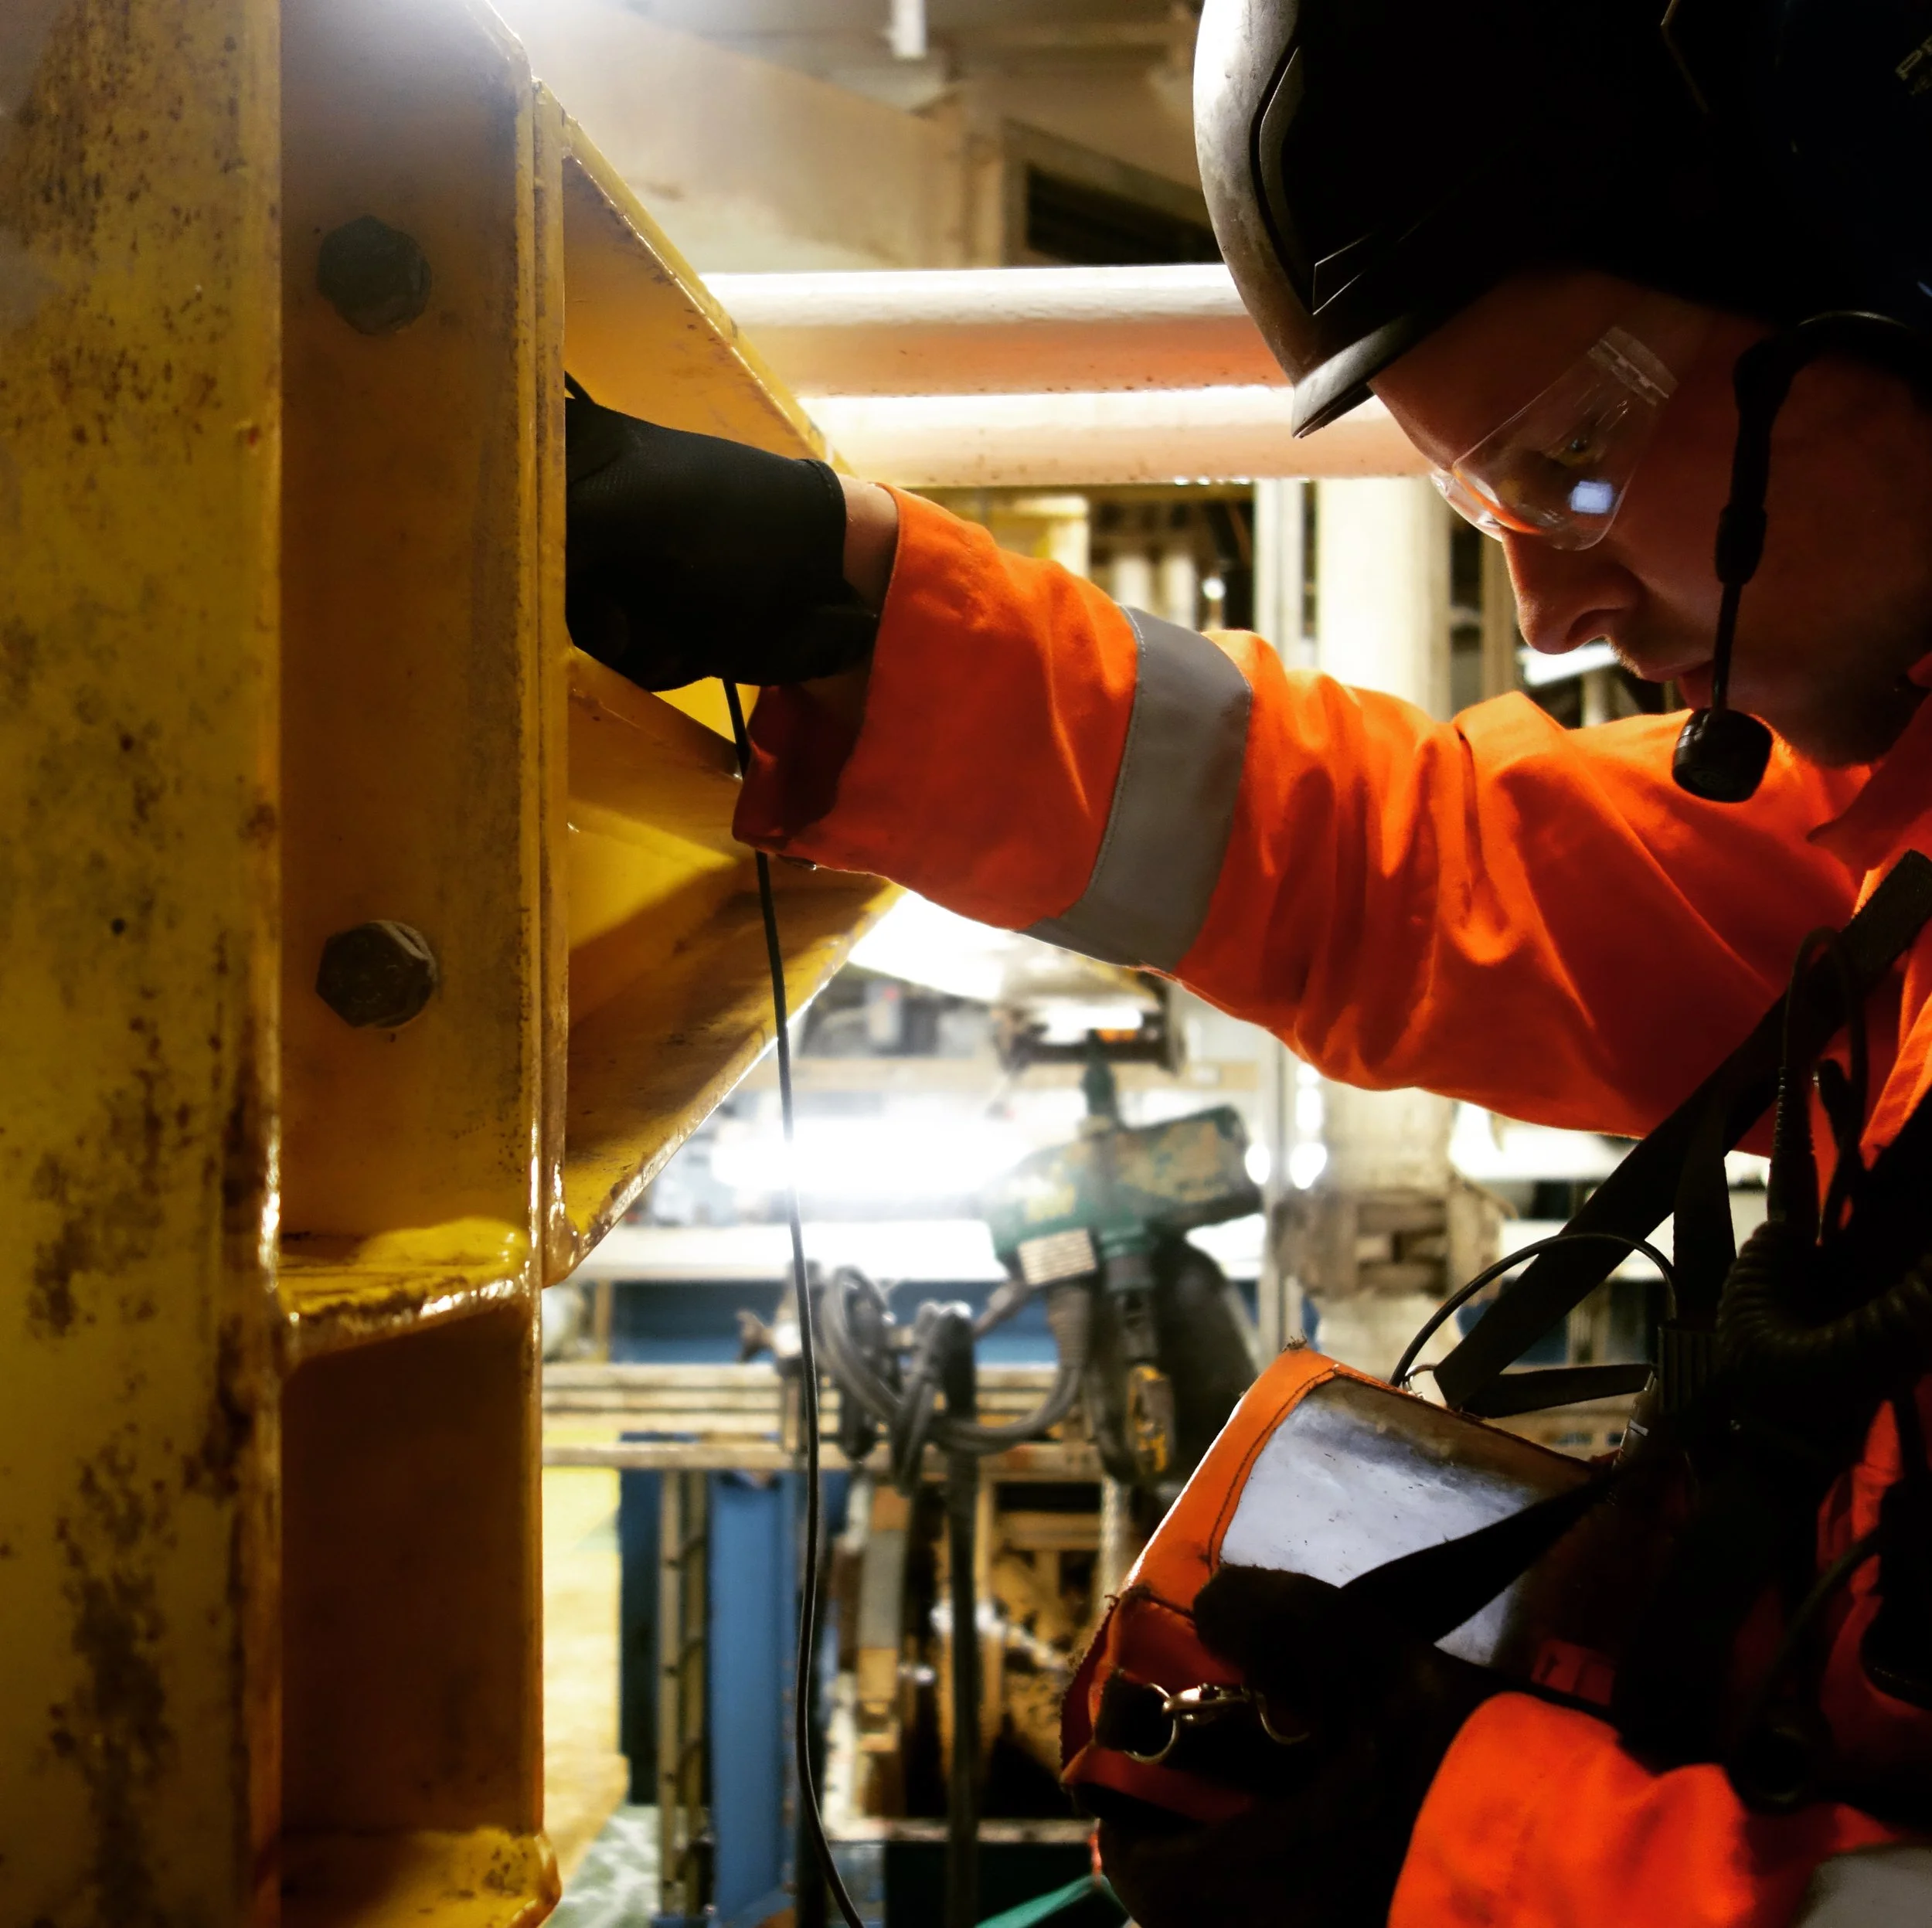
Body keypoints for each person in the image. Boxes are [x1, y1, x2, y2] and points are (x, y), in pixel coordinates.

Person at [566, 1, 1932, 1918]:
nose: (1546, 605)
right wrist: (839, 607)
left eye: (1575, 450)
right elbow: (1408, 871)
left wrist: (1466, 1852)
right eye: (1488, 505)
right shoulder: (1893, 845)